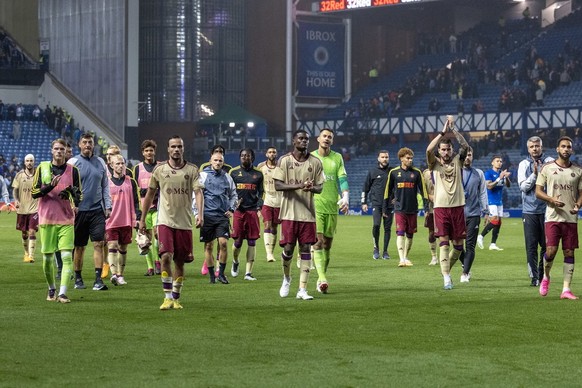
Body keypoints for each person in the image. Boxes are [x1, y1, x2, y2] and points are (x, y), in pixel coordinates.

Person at [139, 136, 204, 310]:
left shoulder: (192, 170)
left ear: (183, 149)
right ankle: (167, 297)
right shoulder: (160, 170)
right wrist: (142, 219)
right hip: (164, 220)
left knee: (180, 261)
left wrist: (200, 214)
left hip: (184, 222)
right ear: (168, 149)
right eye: (173, 146)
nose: (176, 149)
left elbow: (198, 192)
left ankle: (176, 298)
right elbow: (150, 195)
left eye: (179, 146)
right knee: (165, 255)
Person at [273, 129, 324, 300]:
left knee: (305, 249)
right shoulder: (284, 160)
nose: (304, 141)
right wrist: (300, 185)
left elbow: (320, 187)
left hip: (307, 215)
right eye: (301, 138)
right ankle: (287, 278)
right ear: (294, 141)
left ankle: (302, 289)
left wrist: (311, 188)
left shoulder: (315, 162)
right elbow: (278, 185)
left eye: (306, 139)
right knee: (288, 249)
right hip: (288, 213)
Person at [31, 138, 82, 303]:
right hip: (47, 219)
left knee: (67, 256)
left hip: (66, 219)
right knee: (47, 259)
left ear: (66, 152)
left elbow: (78, 195)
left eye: (63, 149)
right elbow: (34, 193)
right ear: (51, 151)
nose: (60, 152)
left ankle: (62, 293)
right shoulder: (42, 168)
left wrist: (76, 200)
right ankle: (52, 288)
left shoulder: (73, 171)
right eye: (57, 149)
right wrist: (49, 187)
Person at [535, 136, 582, 300]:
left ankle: (566, 289)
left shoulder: (578, 170)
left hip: (571, 218)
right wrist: (551, 199)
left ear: (572, 150)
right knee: (551, 251)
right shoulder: (547, 168)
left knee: (569, 252)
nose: (566, 149)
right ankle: (546, 277)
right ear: (557, 149)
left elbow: (581, 194)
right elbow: (538, 191)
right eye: (563, 146)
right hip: (552, 216)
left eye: (569, 147)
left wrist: (578, 205)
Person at [426, 115, 470, 290]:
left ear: (452, 150)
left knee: (458, 247)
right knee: (443, 242)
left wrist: (454, 131)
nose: (445, 152)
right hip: (441, 208)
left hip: (458, 207)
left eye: (448, 149)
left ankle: (446, 270)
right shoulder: (434, 164)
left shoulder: (458, 161)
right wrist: (442, 132)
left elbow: (466, 146)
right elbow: (429, 150)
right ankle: (446, 277)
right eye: (443, 150)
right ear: (440, 151)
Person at [67, 133, 112, 291]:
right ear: (79, 144)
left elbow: (105, 186)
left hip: (97, 210)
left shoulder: (100, 162)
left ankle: (98, 280)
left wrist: (108, 206)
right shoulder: (72, 162)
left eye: (90, 143)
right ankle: (78, 278)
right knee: (79, 247)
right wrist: (72, 205)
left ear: (94, 145)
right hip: (79, 212)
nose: (87, 145)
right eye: (84, 142)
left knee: (99, 243)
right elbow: (67, 187)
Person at [311, 128, 350, 293]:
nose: (327, 139)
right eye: (324, 136)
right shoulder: (311, 157)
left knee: (327, 245)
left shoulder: (337, 157)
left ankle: (321, 277)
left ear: (332, 141)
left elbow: (342, 178)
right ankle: (322, 279)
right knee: (318, 242)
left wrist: (346, 197)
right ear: (318, 139)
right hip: (315, 205)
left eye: (330, 137)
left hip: (332, 206)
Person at [195, 151, 237, 284]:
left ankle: (222, 274)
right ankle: (212, 275)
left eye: (220, 161)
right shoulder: (203, 175)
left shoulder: (227, 177)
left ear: (223, 163)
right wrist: (197, 214)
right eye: (215, 160)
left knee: (223, 243)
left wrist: (231, 209)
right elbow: (196, 195)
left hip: (222, 216)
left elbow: (234, 195)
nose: (218, 163)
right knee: (208, 246)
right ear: (210, 161)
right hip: (207, 216)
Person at [518, 136, 554, 287]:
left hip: (547, 211)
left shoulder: (550, 162)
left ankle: (543, 274)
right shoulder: (523, 164)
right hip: (530, 211)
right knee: (531, 246)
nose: (535, 149)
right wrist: (534, 174)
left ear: (541, 146)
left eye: (537, 146)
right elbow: (523, 187)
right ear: (528, 149)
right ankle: (534, 277)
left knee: (546, 247)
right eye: (532, 146)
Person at [384, 147, 427, 267]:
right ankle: (401, 259)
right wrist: (385, 207)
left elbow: (423, 191)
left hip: (412, 208)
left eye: (411, 158)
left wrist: (427, 207)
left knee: (410, 235)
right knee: (400, 233)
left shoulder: (417, 173)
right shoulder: (393, 173)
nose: (410, 160)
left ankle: (406, 257)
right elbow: (388, 191)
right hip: (399, 208)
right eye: (408, 158)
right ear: (401, 158)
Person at [106, 154, 141, 286]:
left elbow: (136, 200)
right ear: (111, 165)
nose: (120, 166)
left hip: (126, 219)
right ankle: (114, 274)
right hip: (111, 221)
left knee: (123, 248)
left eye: (122, 163)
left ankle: (121, 274)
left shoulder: (130, 181)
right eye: (117, 164)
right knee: (112, 245)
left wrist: (138, 217)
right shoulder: (107, 182)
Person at [229, 148, 264, 280]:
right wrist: (233, 203)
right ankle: (235, 261)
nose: (245, 158)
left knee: (252, 241)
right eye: (243, 155)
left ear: (252, 158)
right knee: (237, 241)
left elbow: (262, 192)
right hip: (239, 211)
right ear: (240, 157)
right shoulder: (233, 173)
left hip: (252, 210)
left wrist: (259, 206)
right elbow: (229, 192)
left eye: (248, 156)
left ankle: (248, 273)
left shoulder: (258, 174)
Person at [458, 148, 489, 283]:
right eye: (465, 156)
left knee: (470, 245)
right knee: (457, 246)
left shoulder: (479, 173)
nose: (467, 158)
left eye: (469, 155)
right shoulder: (455, 172)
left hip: (473, 214)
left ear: (473, 156)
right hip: (457, 214)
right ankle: (466, 264)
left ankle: (465, 273)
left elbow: (482, 193)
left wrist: (486, 211)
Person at [133, 139, 161, 276]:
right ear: (143, 153)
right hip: (144, 209)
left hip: (158, 207)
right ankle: (150, 267)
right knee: (146, 238)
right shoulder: (138, 168)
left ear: (154, 151)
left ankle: (157, 262)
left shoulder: (160, 167)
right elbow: (134, 188)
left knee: (158, 235)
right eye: (146, 150)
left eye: (151, 150)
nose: (149, 153)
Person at [361, 150, 393, 260]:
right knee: (376, 225)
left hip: (389, 205)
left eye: (387, 157)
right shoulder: (372, 172)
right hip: (377, 204)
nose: (385, 159)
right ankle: (376, 248)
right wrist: (363, 202)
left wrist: (396, 199)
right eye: (383, 157)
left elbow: (398, 187)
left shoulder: (392, 172)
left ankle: (385, 251)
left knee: (387, 228)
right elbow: (365, 188)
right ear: (378, 158)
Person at [477, 155, 511, 251]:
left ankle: (493, 244)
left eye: (500, 161)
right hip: (491, 200)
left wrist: (506, 178)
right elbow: (489, 186)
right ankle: (481, 236)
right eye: (497, 161)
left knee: (498, 222)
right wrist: (499, 178)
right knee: (495, 220)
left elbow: (508, 186)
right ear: (492, 162)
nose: (499, 162)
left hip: (499, 201)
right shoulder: (488, 173)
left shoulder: (501, 173)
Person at [12, 154, 39, 263]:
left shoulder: (38, 175)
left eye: (31, 161)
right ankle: (26, 253)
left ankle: (31, 256)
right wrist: (16, 200)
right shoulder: (19, 175)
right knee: (24, 234)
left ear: (34, 162)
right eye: (27, 161)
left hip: (34, 208)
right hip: (22, 209)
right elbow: (15, 190)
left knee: (32, 231)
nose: (29, 162)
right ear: (24, 162)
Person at [257, 146, 282, 263]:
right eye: (270, 152)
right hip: (267, 199)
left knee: (275, 227)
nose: (272, 154)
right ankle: (269, 254)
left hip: (279, 200)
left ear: (276, 154)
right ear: (266, 154)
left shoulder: (281, 167)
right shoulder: (261, 167)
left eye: (274, 152)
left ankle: (271, 251)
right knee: (267, 224)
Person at [422, 168, 438, 265]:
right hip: (431, 208)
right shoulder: (426, 173)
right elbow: (423, 191)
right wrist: (426, 209)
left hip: (444, 207)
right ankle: (434, 256)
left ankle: (445, 256)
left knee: (446, 233)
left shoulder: (444, 170)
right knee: (432, 233)